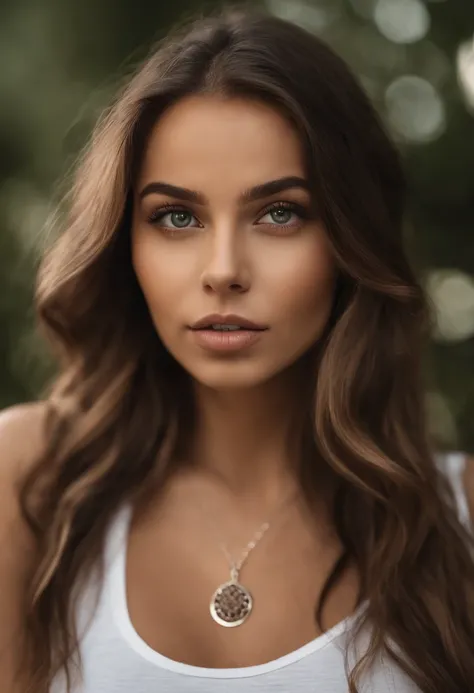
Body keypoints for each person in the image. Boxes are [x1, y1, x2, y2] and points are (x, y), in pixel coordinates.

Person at [0, 4, 473, 693]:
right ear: (124, 243)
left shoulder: (459, 522)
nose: (223, 268)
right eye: (177, 216)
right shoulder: (29, 483)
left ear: (348, 241)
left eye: (280, 213)